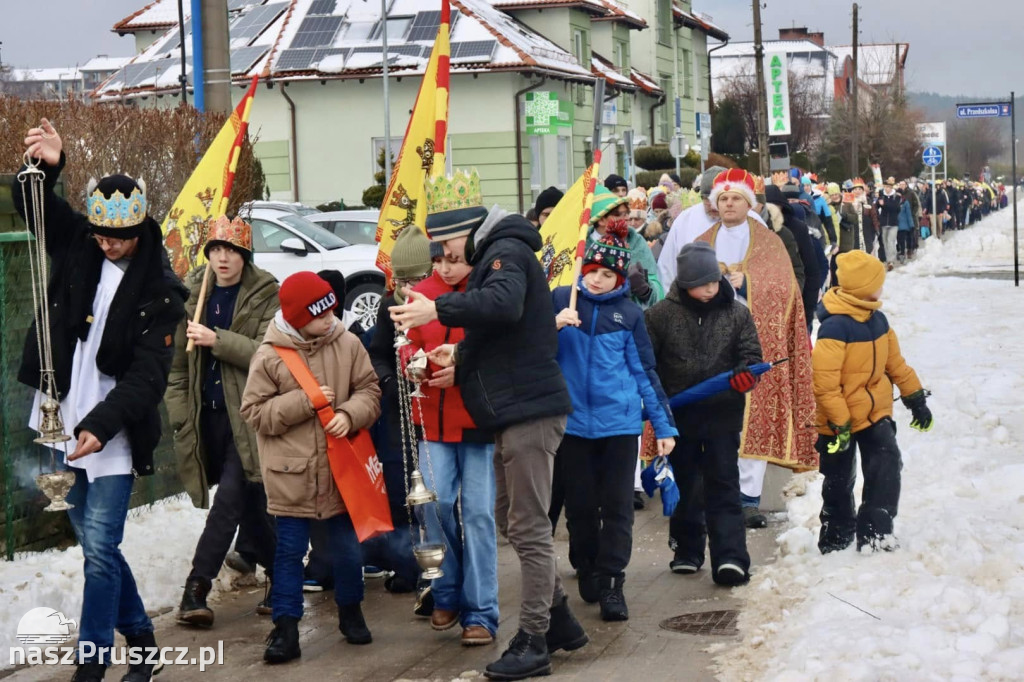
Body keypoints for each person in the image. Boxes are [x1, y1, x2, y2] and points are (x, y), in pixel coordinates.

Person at [389, 186, 588, 681]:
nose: (446, 260)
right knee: (510, 519)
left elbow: (500, 305)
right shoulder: (499, 252)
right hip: (510, 412)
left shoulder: (505, 251)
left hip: (528, 413)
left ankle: (534, 639)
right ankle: (560, 622)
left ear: (470, 233)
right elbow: (499, 333)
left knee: (529, 528)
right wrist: (454, 358)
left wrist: (436, 312)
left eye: (451, 250)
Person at [14, 118, 187, 682]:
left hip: (109, 436)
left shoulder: (161, 292)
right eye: (100, 235)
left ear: (139, 232)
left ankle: (90, 667)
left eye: (117, 238)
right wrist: (50, 165)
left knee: (98, 549)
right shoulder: (82, 244)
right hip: (61, 419)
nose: (106, 244)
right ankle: (141, 642)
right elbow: (32, 205)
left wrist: (101, 425)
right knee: (97, 547)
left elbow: (146, 380)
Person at [240, 272, 382, 662]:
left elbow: (370, 390)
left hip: (341, 473)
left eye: (332, 311)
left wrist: (351, 415)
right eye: (320, 315)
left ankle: (351, 613)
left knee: (348, 551)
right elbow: (254, 412)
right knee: (288, 554)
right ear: (298, 318)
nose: (330, 319)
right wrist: (305, 402)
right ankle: (285, 630)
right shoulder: (269, 356)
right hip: (291, 474)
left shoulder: (349, 343)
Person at [551, 221, 677, 621]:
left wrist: (664, 427)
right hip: (572, 426)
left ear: (620, 277)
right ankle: (586, 563)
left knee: (618, 506)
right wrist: (554, 326)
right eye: (593, 272)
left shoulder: (628, 315)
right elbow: (533, 351)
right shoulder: (561, 301)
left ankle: (612, 581)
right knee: (582, 505)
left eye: (609, 274)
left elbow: (645, 373)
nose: (600, 280)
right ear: (582, 271)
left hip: (620, 426)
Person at [168, 215, 279, 627]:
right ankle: (284, 574)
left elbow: (270, 354)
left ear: (244, 255)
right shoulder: (194, 295)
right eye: (215, 249)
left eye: (231, 250)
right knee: (249, 504)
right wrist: (182, 416)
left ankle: (196, 588)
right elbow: (177, 369)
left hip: (248, 417)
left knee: (229, 499)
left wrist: (219, 341)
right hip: (207, 418)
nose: (222, 258)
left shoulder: (267, 294)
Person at [692, 169, 818, 527]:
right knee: (716, 419)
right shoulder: (701, 241)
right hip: (711, 343)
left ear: (749, 203)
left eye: (736, 199)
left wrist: (747, 282)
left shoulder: (768, 242)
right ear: (715, 204)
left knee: (753, 420)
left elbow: (786, 291)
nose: (729, 204)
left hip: (756, 341)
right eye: (723, 199)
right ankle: (715, 492)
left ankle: (748, 498)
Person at [405, 177, 499, 646]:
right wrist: (414, 365)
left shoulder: (487, 290)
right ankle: (446, 591)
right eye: (439, 256)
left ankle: (482, 612)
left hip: (477, 420)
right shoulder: (417, 292)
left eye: (455, 257)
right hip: (432, 421)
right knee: (434, 506)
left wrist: (457, 368)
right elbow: (404, 344)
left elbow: (496, 347)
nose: (446, 266)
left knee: (479, 514)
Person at [646, 243, 762, 584]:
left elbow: (751, 355)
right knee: (685, 484)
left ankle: (730, 558)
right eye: (701, 283)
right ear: (684, 283)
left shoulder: (737, 313)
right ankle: (687, 549)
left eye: (714, 281)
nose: (710, 288)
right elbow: (649, 364)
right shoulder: (659, 316)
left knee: (724, 484)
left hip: (722, 416)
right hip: (679, 418)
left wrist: (746, 374)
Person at [813, 251, 932, 553]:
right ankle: (837, 534)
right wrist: (839, 422)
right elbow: (824, 384)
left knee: (887, 465)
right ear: (863, 287)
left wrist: (915, 398)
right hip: (837, 417)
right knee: (839, 479)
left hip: (875, 412)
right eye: (878, 281)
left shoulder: (877, 320)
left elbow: (896, 365)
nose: (882, 287)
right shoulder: (835, 327)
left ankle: (876, 532)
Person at [363, 227, 435, 604]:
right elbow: (375, 353)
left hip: (434, 412)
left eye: (418, 278)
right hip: (397, 411)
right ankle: (407, 565)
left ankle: (437, 571)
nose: (409, 288)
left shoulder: (442, 303)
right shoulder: (387, 305)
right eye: (402, 279)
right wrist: (389, 379)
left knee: (434, 496)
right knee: (398, 489)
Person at [589, 185, 663, 308]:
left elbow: (657, 290)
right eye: (620, 214)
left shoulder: (636, 242)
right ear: (601, 219)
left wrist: (644, 289)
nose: (627, 218)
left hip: (628, 319)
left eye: (626, 213)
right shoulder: (582, 248)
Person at [875, 177, 902, 267]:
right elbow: (876, 207)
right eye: (886, 187)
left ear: (892, 188)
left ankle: (891, 260)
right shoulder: (881, 196)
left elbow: (895, 208)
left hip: (893, 223)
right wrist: (879, 204)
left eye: (889, 187)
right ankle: (887, 259)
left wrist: (884, 204)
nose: (887, 189)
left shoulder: (897, 196)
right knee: (885, 242)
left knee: (891, 241)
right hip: (883, 223)